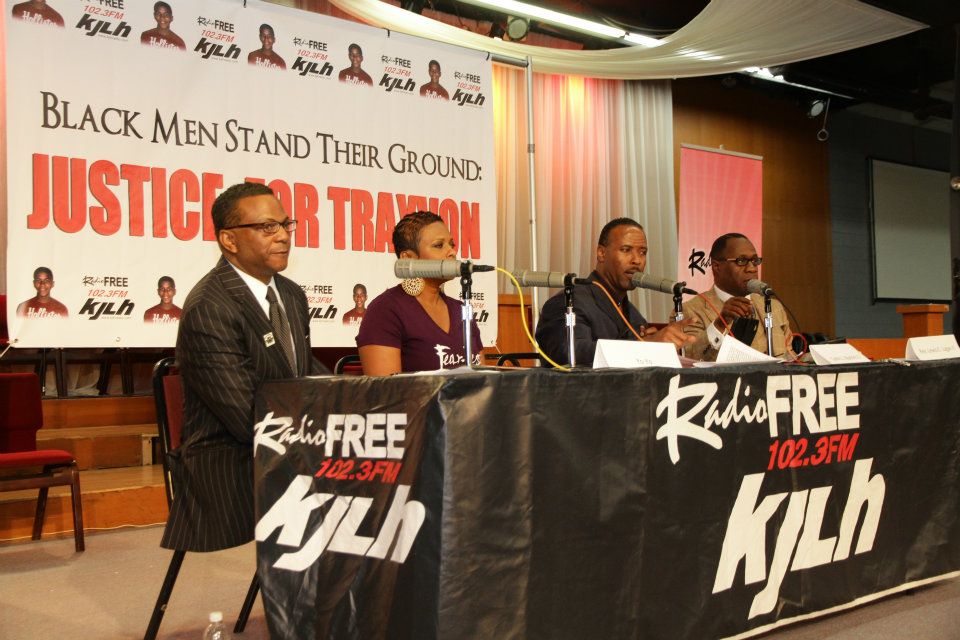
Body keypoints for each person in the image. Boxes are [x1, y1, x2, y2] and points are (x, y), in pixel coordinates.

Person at [160, 182, 327, 553]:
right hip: (231, 461)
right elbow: (245, 416)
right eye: (267, 227)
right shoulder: (210, 307)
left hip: (287, 442)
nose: (283, 236)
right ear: (229, 240)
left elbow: (303, 374)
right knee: (361, 484)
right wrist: (327, 438)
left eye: (285, 224)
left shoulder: (291, 294)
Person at [535, 218, 693, 366]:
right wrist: (644, 346)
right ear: (601, 253)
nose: (637, 260)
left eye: (642, 252)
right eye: (626, 250)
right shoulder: (568, 302)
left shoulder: (633, 314)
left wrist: (651, 347)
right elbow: (571, 354)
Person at [357, 211, 481, 374]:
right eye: (439, 245)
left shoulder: (461, 309)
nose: (452, 252)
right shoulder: (385, 310)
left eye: (452, 244)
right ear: (408, 258)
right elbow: (385, 387)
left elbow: (485, 380)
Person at [682, 232, 793, 360]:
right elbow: (689, 358)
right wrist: (720, 323)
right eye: (741, 261)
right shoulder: (690, 311)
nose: (752, 268)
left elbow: (791, 358)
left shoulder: (773, 307)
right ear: (717, 266)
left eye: (755, 261)